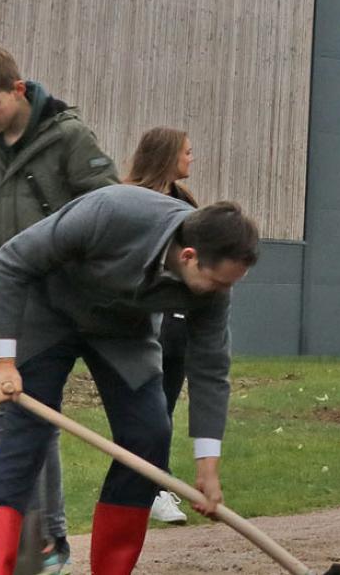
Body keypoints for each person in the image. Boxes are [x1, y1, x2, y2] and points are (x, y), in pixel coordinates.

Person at [0, 187, 258, 575]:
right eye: (219, 283)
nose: (224, 293)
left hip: (121, 333)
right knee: (25, 439)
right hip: (48, 315)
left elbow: (210, 369)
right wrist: (5, 364)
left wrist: (207, 468)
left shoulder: (213, 291)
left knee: (150, 439)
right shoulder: (111, 212)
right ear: (189, 256)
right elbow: (10, 261)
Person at [0, 42, 120, 571]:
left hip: (72, 303)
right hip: (13, 304)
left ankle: (46, 543)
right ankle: (43, 545)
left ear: (18, 90)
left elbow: (108, 206)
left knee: (27, 422)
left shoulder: (70, 137)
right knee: (19, 415)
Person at [122, 126, 201, 525]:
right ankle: (151, 486)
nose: (191, 158)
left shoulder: (184, 202)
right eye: (186, 152)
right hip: (144, 321)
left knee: (164, 408)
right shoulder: (133, 200)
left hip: (179, 321)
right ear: (167, 156)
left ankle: (154, 485)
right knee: (147, 412)